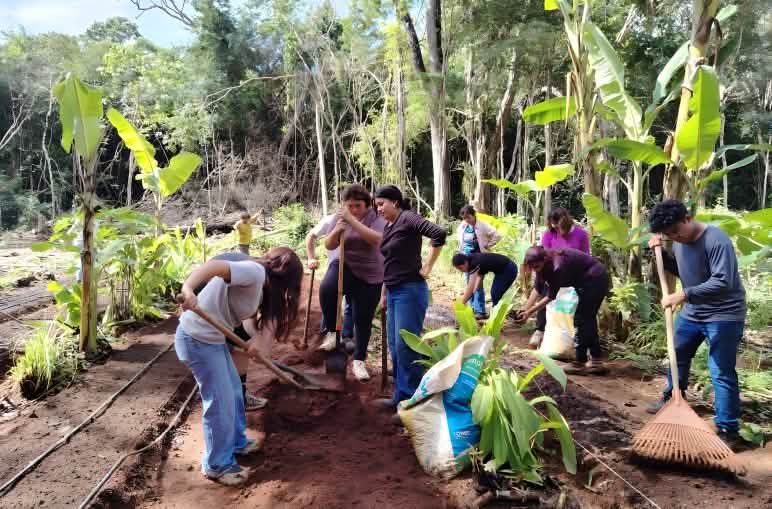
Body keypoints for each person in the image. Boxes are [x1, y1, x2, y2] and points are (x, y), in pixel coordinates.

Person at [176, 247, 303, 486]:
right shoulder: (254, 272)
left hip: (212, 340)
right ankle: (217, 464)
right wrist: (187, 288)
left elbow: (245, 317)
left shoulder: (258, 284)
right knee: (220, 401)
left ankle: (235, 442)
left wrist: (254, 340)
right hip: (196, 339)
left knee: (235, 391)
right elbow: (214, 267)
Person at [645, 200, 746, 445]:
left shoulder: (715, 239)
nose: (675, 237)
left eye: (676, 232)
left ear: (687, 218)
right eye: (669, 235)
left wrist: (683, 294)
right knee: (677, 352)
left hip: (724, 314)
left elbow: (723, 281)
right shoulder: (680, 243)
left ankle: (728, 429)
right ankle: (673, 397)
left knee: (720, 370)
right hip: (693, 311)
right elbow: (684, 271)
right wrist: (662, 255)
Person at [372, 185, 446, 415]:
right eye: (376, 206)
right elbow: (390, 263)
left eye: (381, 204)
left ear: (395, 201)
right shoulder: (390, 225)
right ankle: (400, 397)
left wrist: (428, 266)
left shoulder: (408, 218)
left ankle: (413, 403)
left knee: (407, 347)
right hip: (394, 291)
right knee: (396, 347)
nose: (379, 209)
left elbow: (439, 233)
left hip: (410, 290)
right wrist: (384, 294)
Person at [318, 184, 387, 381]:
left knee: (362, 319)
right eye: (349, 206)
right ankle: (332, 331)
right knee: (327, 289)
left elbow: (377, 240)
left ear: (367, 204)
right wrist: (337, 230)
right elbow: (329, 244)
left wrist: (352, 221)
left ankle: (359, 360)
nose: (354, 210)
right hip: (344, 265)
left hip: (372, 272)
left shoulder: (377, 218)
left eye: (358, 206)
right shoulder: (339, 218)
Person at [516, 246, 609, 375]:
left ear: (544, 260)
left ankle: (579, 363)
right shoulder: (543, 265)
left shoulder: (557, 267)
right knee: (588, 318)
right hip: (586, 281)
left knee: (581, 319)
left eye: (536, 267)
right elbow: (538, 288)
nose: (535, 270)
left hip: (595, 278)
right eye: (532, 267)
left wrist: (529, 312)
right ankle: (596, 361)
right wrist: (525, 310)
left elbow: (550, 296)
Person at [193, 252, 268, 412]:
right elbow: (247, 321)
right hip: (200, 290)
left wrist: (253, 343)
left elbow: (250, 319)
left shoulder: (258, 281)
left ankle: (235, 393)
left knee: (240, 339)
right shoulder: (255, 279)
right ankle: (213, 391)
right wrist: (239, 348)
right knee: (213, 345)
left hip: (211, 288)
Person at [530, 207, 590, 348]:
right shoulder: (549, 234)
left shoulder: (581, 234)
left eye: (558, 225)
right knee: (544, 294)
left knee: (574, 305)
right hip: (552, 273)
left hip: (573, 275)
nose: (555, 228)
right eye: (553, 225)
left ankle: (574, 335)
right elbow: (542, 255)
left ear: (565, 222)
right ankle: (540, 329)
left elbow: (586, 256)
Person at [305, 213, 354, 341]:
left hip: (357, 270)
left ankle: (347, 336)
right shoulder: (331, 220)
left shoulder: (367, 220)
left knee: (351, 304)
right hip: (336, 268)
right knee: (330, 301)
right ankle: (327, 333)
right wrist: (311, 258)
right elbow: (311, 236)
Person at [456, 205, 501, 319]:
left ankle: (480, 311)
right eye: (464, 218)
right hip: (466, 259)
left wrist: (488, 245)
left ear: (473, 215)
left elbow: (497, 235)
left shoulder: (483, 225)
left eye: (469, 217)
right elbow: (460, 239)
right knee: (469, 284)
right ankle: (472, 309)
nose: (467, 220)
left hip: (478, 259)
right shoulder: (463, 226)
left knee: (478, 284)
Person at [452, 252, 517, 312]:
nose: (461, 271)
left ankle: (498, 313)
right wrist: (474, 290)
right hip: (502, 270)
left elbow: (470, 286)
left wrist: (461, 304)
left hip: (508, 269)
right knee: (495, 293)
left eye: (460, 268)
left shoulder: (474, 263)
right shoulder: (470, 259)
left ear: (465, 262)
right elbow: (480, 276)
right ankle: (496, 312)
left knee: (495, 293)